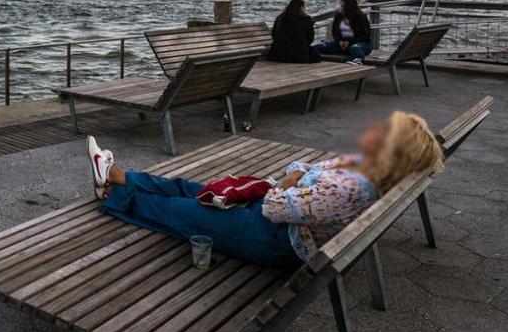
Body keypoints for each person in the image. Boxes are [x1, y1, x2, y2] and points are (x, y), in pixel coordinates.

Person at [84, 111, 442, 267]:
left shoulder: (351, 190)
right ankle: (118, 176)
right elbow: (303, 168)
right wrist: (292, 182)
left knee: (183, 212)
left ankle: (114, 194)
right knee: (197, 188)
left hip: (272, 239)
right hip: (275, 215)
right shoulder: (361, 169)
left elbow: (275, 206)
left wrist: (287, 185)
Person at [314, 0, 373, 65]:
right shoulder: (338, 16)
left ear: (348, 7)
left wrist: (350, 42)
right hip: (342, 44)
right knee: (320, 46)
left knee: (355, 48)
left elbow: (366, 36)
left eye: (342, 6)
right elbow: (335, 32)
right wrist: (340, 41)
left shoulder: (361, 17)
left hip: (359, 43)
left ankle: (358, 60)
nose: (340, 7)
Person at [267, 0, 319, 64]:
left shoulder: (280, 18)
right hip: (297, 56)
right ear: (302, 7)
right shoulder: (306, 19)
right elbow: (310, 39)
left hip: (277, 54)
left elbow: (274, 35)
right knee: (314, 54)